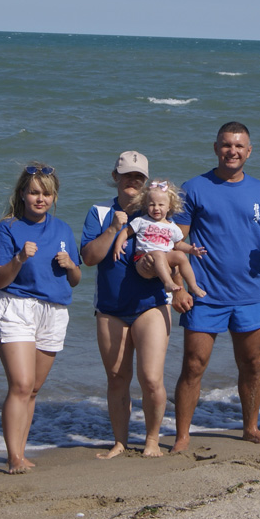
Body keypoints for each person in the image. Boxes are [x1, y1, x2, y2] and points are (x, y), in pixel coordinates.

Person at [170, 122, 260, 452]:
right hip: (204, 294)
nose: (232, 151)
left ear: (249, 151)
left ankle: (250, 427)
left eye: (239, 146)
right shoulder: (193, 188)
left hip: (248, 295)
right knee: (193, 366)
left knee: (252, 364)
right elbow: (175, 241)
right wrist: (178, 287)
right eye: (227, 145)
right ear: (216, 148)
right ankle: (182, 436)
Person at [0, 163, 81, 473]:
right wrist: (19, 258)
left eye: (47, 194)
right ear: (22, 194)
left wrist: (70, 265)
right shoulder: (7, 229)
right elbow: (0, 279)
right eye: (34, 192)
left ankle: (21, 451)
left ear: (54, 197)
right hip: (16, 306)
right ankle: (13, 457)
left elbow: (76, 279)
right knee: (21, 384)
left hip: (54, 311)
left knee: (33, 389)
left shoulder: (62, 229)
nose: (40, 199)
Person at [80, 152, 173, 459]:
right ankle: (120, 442)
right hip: (111, 308)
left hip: (152, 305)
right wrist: (113, 229)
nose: (132, 180)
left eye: (138, 176)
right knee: (118, 378)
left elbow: (173, 255)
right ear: (115, 177)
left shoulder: (158, 210)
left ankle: (152, 440)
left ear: (145, 181)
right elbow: (89, 258)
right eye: (127, 175)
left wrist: (160, 271)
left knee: (151, 378)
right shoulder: (99, 212)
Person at [112, 179, 207, 298]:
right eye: (152, 204)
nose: (156, 208)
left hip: (164, 259)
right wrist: (118, 245)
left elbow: (178, 244)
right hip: (143, 258)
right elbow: (126, 231)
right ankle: (168, 283)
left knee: (180, 256)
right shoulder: (142, 221)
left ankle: (193, 286)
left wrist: (191, 250)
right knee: (158, 253)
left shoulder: (172, 227)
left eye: (161, 205)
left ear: (169, 207)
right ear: (146, 205)